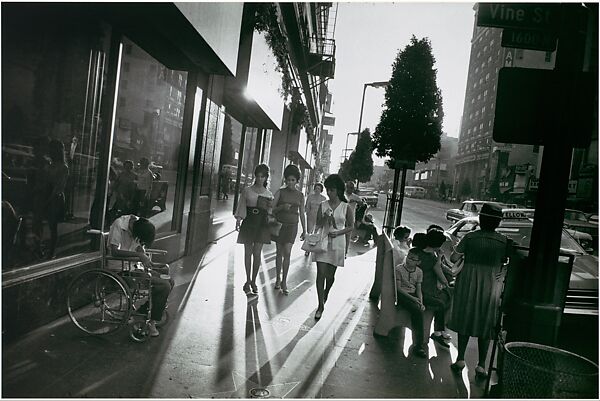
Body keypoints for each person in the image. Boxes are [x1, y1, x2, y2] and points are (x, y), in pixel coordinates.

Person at [448, 202, 510, 379]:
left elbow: (454, 258)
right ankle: (482, 365)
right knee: (486, 321)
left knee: (465, 317)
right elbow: (506, 262)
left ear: (481, 219)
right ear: (498, 223)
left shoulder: (470, 237)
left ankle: (460, 359)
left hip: (468, 279)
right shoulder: (503, 241)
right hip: (491, 283)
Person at [108, 214, 172, 337]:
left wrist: (144, 255)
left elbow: (138, 247)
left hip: (135, 267)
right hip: (121, 269)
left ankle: (144, 312)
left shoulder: (139, 224)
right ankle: (151, 321)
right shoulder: (119, 225)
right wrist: (139, 256)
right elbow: (114, 251)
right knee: (164, 286)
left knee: (170, 281)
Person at [313, 174, 355, 320]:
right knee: (320, 274)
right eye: (327, 190)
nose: (329, 193)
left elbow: (351, 226)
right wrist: (324, 217)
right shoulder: (323, 205)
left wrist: (338, 232)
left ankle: (326, 293)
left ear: (338, 190)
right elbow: (318, 224)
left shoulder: (346, 207)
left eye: (331, 190)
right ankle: (320, 305)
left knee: (330, 276)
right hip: (323, 242)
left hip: (338, 243)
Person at [235, 163, 273, 297]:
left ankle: (253, 281)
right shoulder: (247, 190)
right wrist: (238, 220)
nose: (260, 178)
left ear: (266, 177)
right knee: (247, 252)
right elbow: (241, 205)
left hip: (262, 224)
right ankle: (247, 279)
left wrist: (270, 208)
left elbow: (270, 212)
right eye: (258, 176)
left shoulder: (269, 194)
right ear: (255, 176)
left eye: (263, 176)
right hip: (249, 221)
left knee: (257, 253)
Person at [272, 165, 307, 294]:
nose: (290, 182)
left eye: (293, 180)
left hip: (292, 227)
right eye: (288, 180)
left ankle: (284, 281)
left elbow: (302, 213)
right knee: (279, 252)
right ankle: (277, 278)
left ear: (297, 180)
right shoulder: (280, 192)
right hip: (280, 225)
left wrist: (305, 230)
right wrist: (282, 207)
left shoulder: (300, 195)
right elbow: (271, 209)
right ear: (285, 180)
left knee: (287, 252)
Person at [416, 229, 452, 351]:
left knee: (445, 297)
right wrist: (446, 283)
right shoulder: (432, 258)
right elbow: (439, 271)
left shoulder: (419, 253)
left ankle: (439, 331)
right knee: (446, 299)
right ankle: (438, 332)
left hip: (421, 288)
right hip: (424, 292)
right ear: (438, 245)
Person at [395, 248, 427, 358]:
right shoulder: (399, 269)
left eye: (413, 259)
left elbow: (419, 289)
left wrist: (421, 302)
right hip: (402, 296)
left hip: (413, 295)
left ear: (419, 262)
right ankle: (418, 345)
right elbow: (398, 289)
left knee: (421, 308)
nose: (409, 260)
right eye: (409, 257)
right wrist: (415, 300)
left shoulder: (419, 272)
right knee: (417, 312)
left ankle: (419, 343)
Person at [46, 139, 69, 259]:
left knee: (52, 225)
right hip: (48, 195)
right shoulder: (50, 164)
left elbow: (59, 186)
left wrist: (49, 199)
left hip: (56, 198)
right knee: (48, 223)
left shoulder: (63, 167)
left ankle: (51, 251)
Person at [304, 183, 327, 256]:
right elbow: (307, 206)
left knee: (316, 234)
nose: (317, 190)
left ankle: (314, 248)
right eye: (316, 188)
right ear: (314, 189)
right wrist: (307, 213)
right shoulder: (310, 197)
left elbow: (325, 209)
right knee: (309, 233)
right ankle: (307, 249)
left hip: (319, 218)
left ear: (321, 190)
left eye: (319, 189)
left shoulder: (323, 199)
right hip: (311, 216)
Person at [344, 180, 364, 253]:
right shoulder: (342, 195)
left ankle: (345, 251)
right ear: (346, 187)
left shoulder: (355, 197)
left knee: (348, 235)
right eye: (348, 187)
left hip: (351, 217)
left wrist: (357, 202)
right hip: (342, 217)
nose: (350, 189)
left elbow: (363, 204)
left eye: (352, 188)